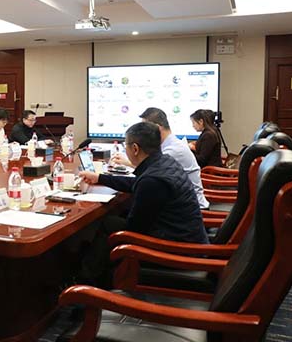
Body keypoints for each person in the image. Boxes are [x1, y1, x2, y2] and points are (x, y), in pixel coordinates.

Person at [77, 122, 208, 286]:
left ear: (135, 149)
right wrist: (100, 178)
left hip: (178, 253)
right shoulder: (165, 162)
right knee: (114, 220)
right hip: (187, 239)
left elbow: (134, 230)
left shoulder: (152, 180)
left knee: (109, 224)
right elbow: (137, 184)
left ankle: (87, 282)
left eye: (126, 146)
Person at [111, 107, 209, 209]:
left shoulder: (173, 150)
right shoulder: (168, 145)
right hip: (181, 202)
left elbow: (148, 174)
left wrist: (127, 162)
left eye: (144, 129)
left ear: (157, 129)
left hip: (193, 208)